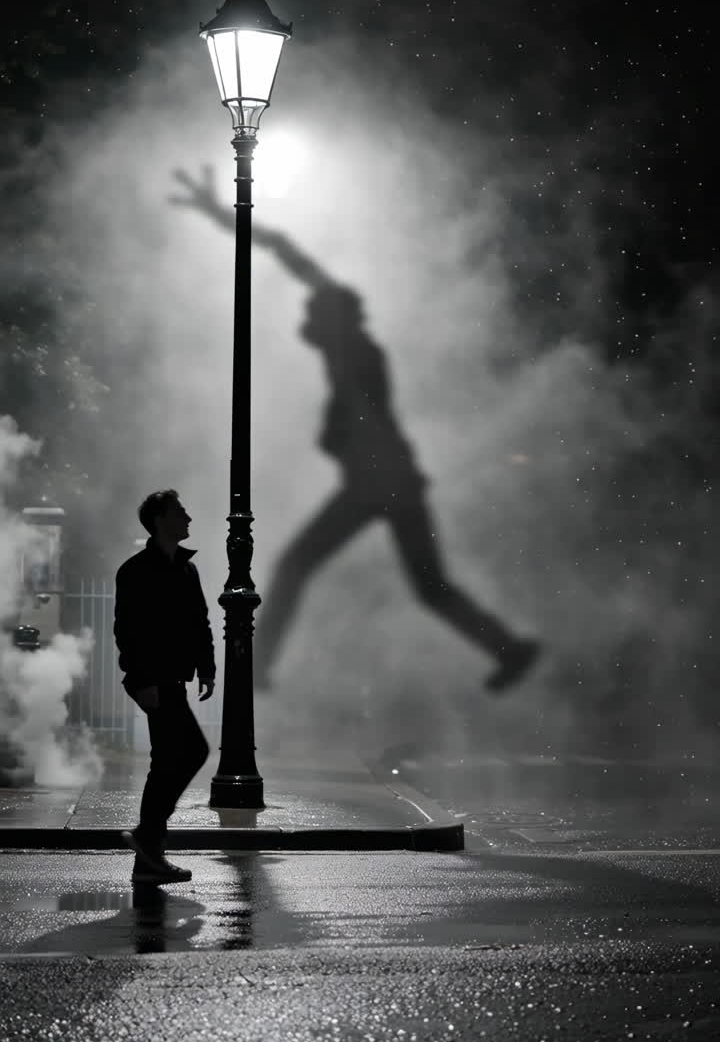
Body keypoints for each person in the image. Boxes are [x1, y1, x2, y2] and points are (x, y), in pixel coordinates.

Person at [170, 166, 540, 694]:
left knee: (296, 564)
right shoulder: (350, 349)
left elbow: (286, 252)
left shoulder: (349, 346)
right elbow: (288, 255)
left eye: (311, 311)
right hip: (392, 481)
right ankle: (508, 648)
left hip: (378, 482)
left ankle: (259, 664)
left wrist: (215, 214)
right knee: (430, 587)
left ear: (331, 318)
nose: (305, 317)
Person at [114, 490, 215, 884]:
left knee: (171, 757)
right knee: (191, 751)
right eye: (180, 512)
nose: (188, 517)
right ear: (160, 520)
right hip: (155, 682)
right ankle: (148, 835)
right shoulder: (136, 570)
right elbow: (129, 632)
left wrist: (206, 668)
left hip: (174, 679)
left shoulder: (186, 570)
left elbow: (200, 623)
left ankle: (147, 858)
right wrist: (143, 682)